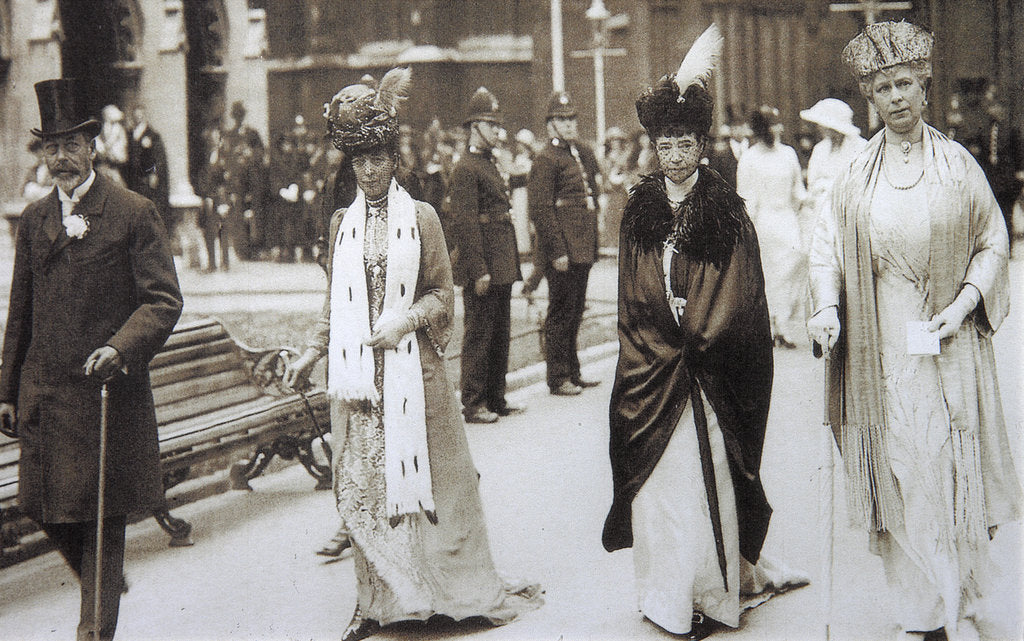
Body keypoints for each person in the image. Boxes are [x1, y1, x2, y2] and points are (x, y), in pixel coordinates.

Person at [282, 68, 542, 641]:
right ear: (350, 166)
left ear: (393, 159)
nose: (371, 171)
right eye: (361, 162)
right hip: (357, 382)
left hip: (411, 372)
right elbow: (333, 301)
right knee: (363, 486)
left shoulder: (420, 217)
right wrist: (310, 351)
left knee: (433, 486)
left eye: (379, 159)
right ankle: (375, 603)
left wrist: (403, 320)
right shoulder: (339, 224)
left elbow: (442, 293)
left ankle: (441, 591)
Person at [808, 21, 1022, 641]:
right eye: (882, 89)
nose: (896, 97)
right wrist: (826, 306)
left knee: (945, 471)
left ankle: (962, 600)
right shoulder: (854, 175)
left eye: (904, 83)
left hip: (945, 347)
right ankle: (922, 614)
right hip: (879, 351)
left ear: (923, 87)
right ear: (870, 99)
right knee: (898, 473)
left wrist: (962, 306)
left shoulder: (958, 166)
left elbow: (993, 243)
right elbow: (826, 251)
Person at [603, 25, 807, 640]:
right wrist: (657, 341)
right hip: (655, 363)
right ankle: (667, 594)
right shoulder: (639, 209)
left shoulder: (724, 208)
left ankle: (711, 593)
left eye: (685, 142)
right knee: (661, 489)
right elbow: (631, 295)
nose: (675, 155)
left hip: (707, 368)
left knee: (706, 480)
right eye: (665, 144)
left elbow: (741, 294)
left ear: (700, 145)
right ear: (654, 147)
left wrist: (700, 337)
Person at [0, 78, 183, 641]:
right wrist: (6, 390)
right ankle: (100, 583)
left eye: (70, 145)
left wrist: (121, 347)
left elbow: (163, 299)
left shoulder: (132, 212)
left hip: (106, 396)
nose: (60, 158)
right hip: (45, 395)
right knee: (44, 509)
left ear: (93, 146)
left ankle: (94, 627)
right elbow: (19, 311)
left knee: (101, 521)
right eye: (50, 147)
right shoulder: (33, 221)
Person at [448, 87, 525, 424]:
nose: (497, 131)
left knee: (499, 331)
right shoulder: (465, 168)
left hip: (501, 261)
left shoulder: (488, 163)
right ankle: (475, 402)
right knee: (479, 333)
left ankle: (496, 396)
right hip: (484, 263)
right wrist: (478, 269)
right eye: (491, 125)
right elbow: (465, 224)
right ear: (474, 127)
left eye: (497, 125)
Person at [527, 90, 602, 396]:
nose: (569, 124)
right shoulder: (546, 159)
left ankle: (572, 370)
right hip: (563, 251)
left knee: (575, 311)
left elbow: (589, 198)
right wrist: (557, 251)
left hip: (581, 246)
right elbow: (541, 210)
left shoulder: (579, 152)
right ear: (550, 125)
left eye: (571, 118)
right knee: (560, 312)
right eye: (562, 119)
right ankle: (558, 377)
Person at [736, 105, 808, 348]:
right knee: (771, 275)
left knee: (795, 265)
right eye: (772, 124)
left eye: (779, 124)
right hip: (764, 223)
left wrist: (811, 201)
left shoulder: (788, 154)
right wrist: (749, 230)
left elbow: (798, 190)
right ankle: (773, 327)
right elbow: (746, 198)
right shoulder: (749, 158)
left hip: (787, 220)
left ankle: (783, 322)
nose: (778, 129)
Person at [800, 98, 867, 244]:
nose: (819, 128)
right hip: (821, 216)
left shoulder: (861, 148)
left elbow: (862, 185)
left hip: (850, 216)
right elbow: (813, 184)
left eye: (823, 124)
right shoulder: (820, 149)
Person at [125, 107, 172, 235]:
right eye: (135, 115)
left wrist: (154, 173)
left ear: (144, 116)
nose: (138, 118)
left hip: (146, 178)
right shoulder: (129, 134)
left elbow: (158, 158)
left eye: (140, 115)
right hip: (133, 178)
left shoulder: (152, 135)